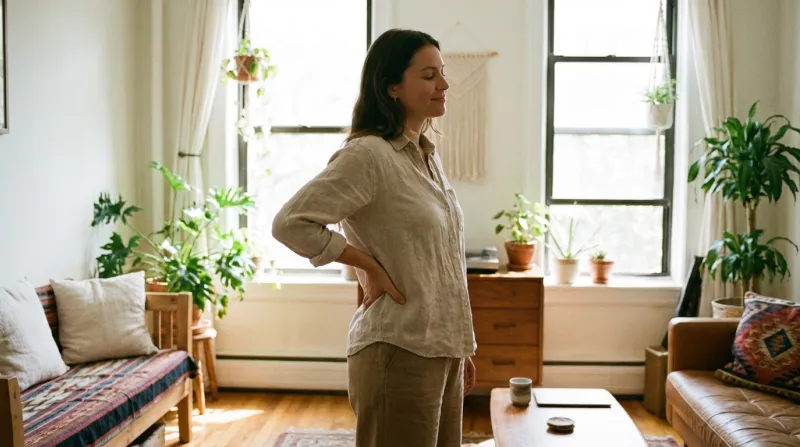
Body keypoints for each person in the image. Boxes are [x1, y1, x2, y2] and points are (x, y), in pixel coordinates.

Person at [271, 28, 476, 447]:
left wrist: (459, 347)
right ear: (393, 87)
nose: (444, 84)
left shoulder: (426, 157)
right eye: (428, 75)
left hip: (440, 349)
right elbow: (290, 222)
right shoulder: (368, 155)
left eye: (442, 73)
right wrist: (366, 265)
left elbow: (440, 263)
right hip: (397, 350)